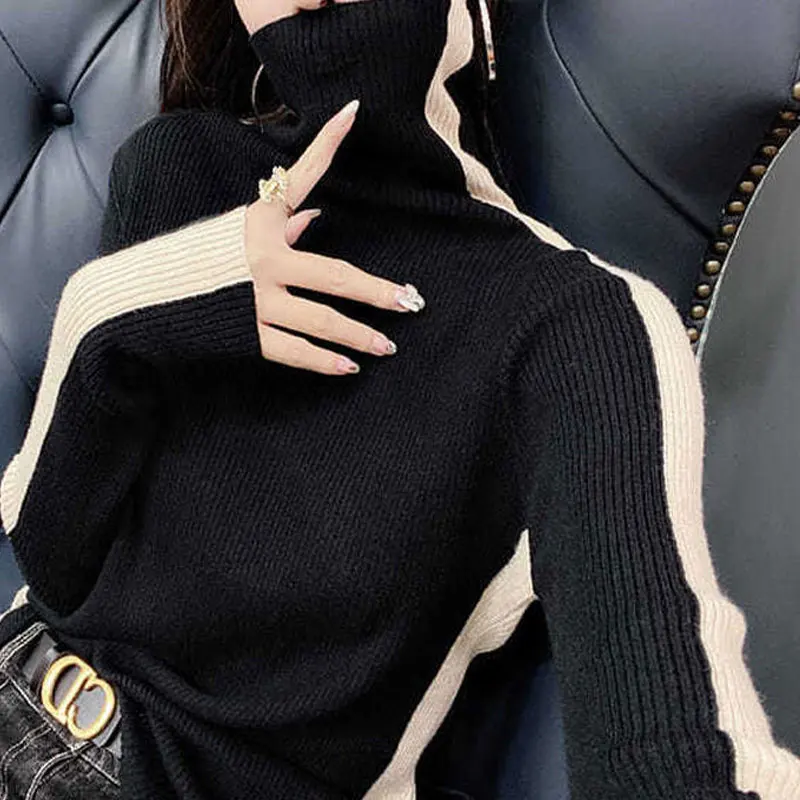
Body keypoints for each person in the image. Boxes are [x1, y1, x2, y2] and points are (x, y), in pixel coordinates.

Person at [0, 0, 798, 798]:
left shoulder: (572, 325)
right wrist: (118, 310)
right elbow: (55, 565)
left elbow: (669, 748)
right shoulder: (178, 168)